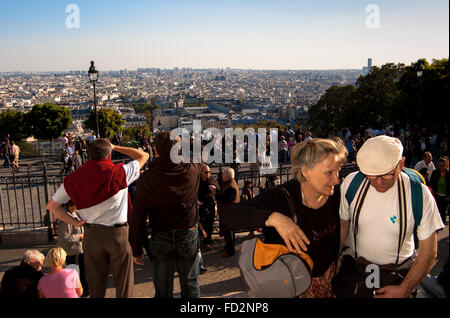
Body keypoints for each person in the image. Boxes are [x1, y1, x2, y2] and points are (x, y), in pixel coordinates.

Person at [223, 138, 347, 298]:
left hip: (328, 286)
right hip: (289, 289)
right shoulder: (280, 197)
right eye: (329, 172)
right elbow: (230, 216)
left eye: (338, 171)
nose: (336, 179)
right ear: (306, 171)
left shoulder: (334, 195)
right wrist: (274, 218)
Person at [337, 136, 444, 298]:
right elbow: (342, 226)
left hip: (397, 276)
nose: (378, 182)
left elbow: (429, 252)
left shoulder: (419, 194)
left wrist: (404, 289)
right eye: (371, 176)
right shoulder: (352, 183)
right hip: (355, 273)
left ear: (400, 164)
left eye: (386, 175)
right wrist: (335, 259)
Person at [46, 138, 149, 298]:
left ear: (88, 154)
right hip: (118, 234)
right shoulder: (120, 172)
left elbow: (52, 206)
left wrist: (74, 221)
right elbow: (143, 156)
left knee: (95, 286)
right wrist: (115, 146)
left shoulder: (74, 179)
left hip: (91, 234)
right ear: (109, 155)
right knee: (124, 283)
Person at [130, 131, 202, 298]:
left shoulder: (147, 178)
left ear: (155, 150)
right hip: (188, 231)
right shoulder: (191, 170)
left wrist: (136, 247)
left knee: (162, 289)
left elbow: (138, 216)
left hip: (160, 232)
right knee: (190, 285)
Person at [56, 200, 89, 297]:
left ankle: (85, 292)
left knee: (83, 272)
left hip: (79, 249)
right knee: (74, 274)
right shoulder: (65, 218)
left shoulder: (75, 212)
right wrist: (79, 236)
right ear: (70, 205)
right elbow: (64, 238)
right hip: (71, 252)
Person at [216, 167, 240, 258]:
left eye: (223, 174)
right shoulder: (228, 183)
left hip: (229, 213)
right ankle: (227, 247)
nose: (222, 175)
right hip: (227, 212)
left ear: (227, 176)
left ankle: (230, 251)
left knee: (228, 232)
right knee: (228, 232)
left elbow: (224, 199)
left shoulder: (231, 186)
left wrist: (215, 193)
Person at [198, 164, 220, 248]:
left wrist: (214, 189)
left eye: (209, 172)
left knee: (209, 225)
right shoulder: (198, 181)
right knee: (201, 224)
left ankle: (208, 242)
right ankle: (203, 239)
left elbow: (218, 190)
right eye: (206, 172)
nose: (208, 174)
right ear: (201, 172)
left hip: (210, 206)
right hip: (201, 206)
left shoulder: (211, 179)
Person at [429, 156, 449, 224]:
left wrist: (449, 196)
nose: (441, 167)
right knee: (437, 209)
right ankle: (437, 223)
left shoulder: (448, 174)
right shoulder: (435, 173)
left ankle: (442, 222)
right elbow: (431, 183)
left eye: (443, 165)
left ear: (446, 165)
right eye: (440, 165)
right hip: (437, 195)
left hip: (446, 196)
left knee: (443, 210)